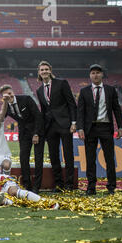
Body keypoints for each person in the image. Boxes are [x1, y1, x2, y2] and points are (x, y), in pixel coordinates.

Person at [76, 64, 122, 195]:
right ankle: (91, 187)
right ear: (90, 76)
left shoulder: (110, 90)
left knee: (109, 158)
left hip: (105, 127)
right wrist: (80, 128)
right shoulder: (84, 91)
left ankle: (111, 187)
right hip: (90, 129)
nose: (95, 75)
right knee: (90, 159)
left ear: (102, 74)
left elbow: (117, 109)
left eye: (98, 72)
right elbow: (80, 112)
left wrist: (120, 127)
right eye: (93, 73)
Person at [35, 60, 77, 191]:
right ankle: (59, 184)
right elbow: (43, 110)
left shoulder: (62, 83)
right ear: (39, 73)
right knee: (54, 156)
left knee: (68, 155)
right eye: (42, 70)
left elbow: (71, 103)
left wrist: (73, 122)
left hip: (65, 124)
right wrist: (40, 130)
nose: (44, 72)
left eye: (46, 69)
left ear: (50, 70)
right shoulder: (39, 90)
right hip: (50, 127)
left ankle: (69, 184)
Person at [1, 84, 44, 194]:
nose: (9, 96)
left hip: (37, 130)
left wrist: (36, 134)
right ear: (2, 97)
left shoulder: (26, 99)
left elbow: (38, 116)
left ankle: (36, 186)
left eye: (10, 93)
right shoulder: (6, 106)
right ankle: (26, 185)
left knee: (38, 158)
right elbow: (0, 118)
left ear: (13, 92)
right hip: (24, 133)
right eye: (6, 95)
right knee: (23, 158)